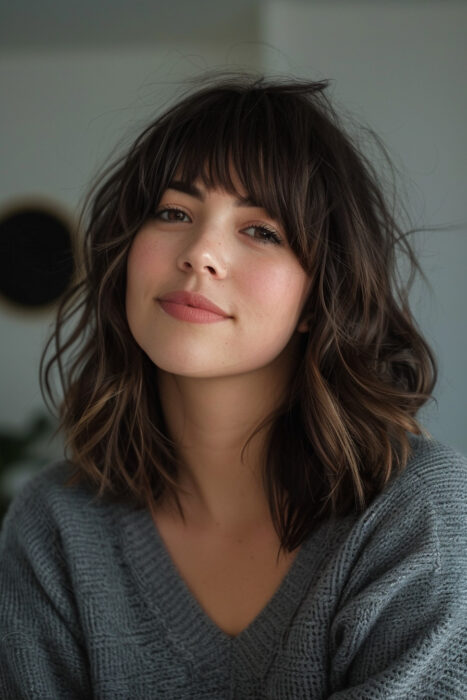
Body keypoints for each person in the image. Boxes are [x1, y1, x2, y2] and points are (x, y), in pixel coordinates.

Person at [1, 71, 466, 699]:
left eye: (261, 230)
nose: (200, 252)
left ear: (317, 297)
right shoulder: (53, 526)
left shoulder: (415, 513)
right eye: (173, 212)